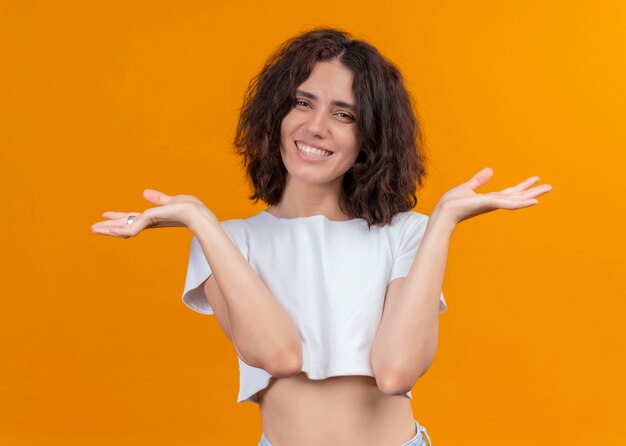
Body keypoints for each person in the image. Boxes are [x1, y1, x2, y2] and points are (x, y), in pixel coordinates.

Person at [91, 28, 552, 446]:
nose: (316, 127)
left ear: (369, 139)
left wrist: (444, 219)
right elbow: (278, 355)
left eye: (344, 114)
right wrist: (199, 218)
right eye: (303, 103)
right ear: (276, 114)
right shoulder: (228, 242)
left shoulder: (404, 234)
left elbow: (395, 372)